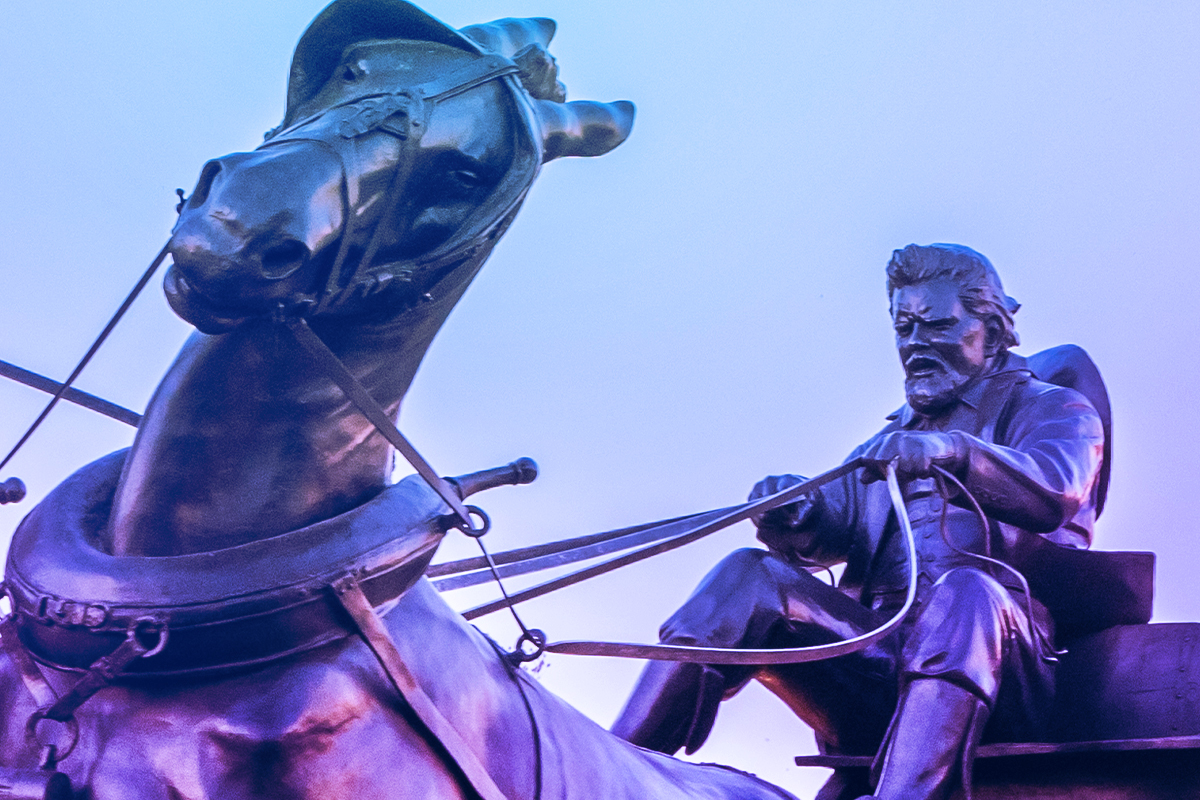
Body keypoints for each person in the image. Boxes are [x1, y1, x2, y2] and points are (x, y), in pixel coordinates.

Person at [610, 244, 1105, 800]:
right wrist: (796, 509)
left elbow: (1056, 488)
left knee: (966, 592)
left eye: (937, 324)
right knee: (749, 575)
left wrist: (952, 451)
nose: (915, 343)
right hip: (879, 664)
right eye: (904, 327)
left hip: (1002, 673)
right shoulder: (886, 442)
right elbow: (830, 521)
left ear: (990, 331)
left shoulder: (1054, 409)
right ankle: (612, 767)